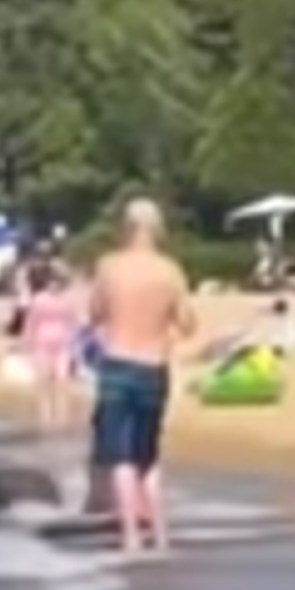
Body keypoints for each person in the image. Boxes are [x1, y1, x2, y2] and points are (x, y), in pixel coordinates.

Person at [89, 198, 196, 553]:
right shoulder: (170, 271)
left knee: (121, 456)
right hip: (154, 366)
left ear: (126, 226)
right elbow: (187, 324)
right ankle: (161, 534)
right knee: (148, 456)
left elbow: (96, 314)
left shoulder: (109, 267)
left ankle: (132, 535)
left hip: (117, 363)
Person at [21, 263, 81, 432]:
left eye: (57, 282)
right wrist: (27, 343)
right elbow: (31, 323)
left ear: (62, 284)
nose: (54, 285)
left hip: (64, 343)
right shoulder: (39, 299)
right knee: (43, 380)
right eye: (51, 282)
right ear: (47, 283)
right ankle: (45, 416)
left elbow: (74, 323)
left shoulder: (68, 300)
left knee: (63, 380)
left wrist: (76, 344)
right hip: (42, 343)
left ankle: (62, 416)